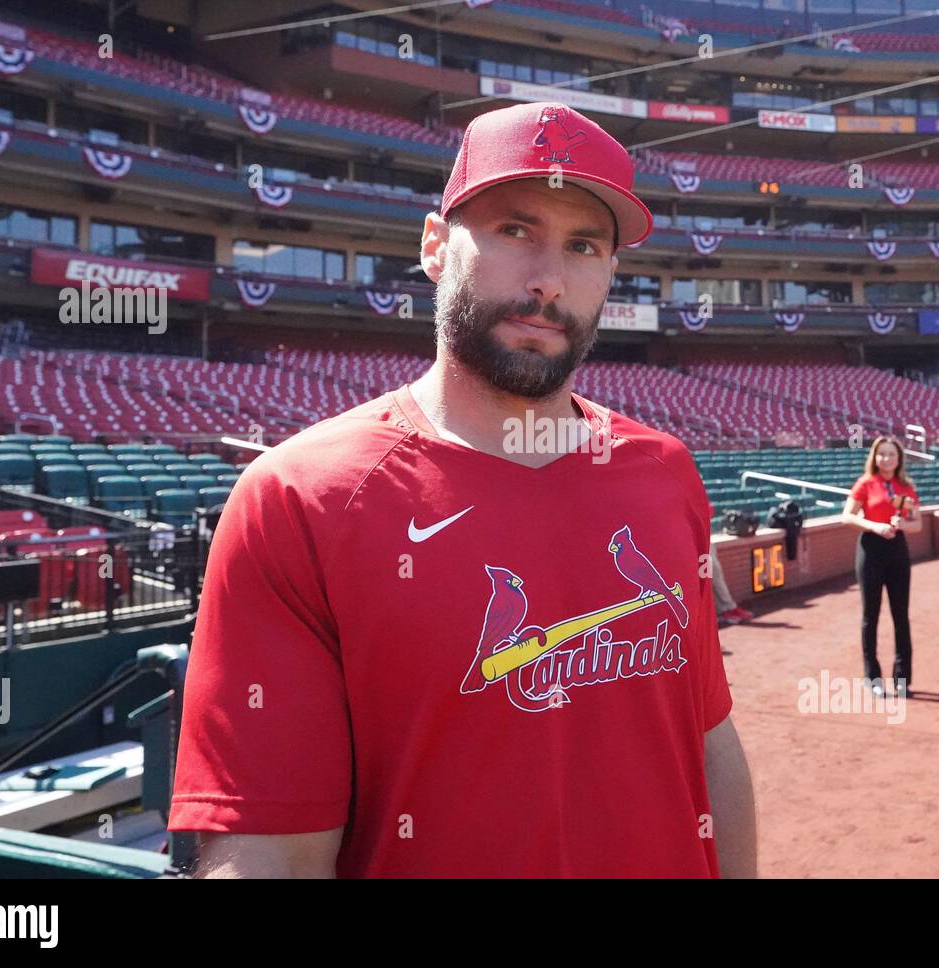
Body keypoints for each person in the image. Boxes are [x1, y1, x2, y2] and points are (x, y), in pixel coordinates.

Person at [168, 102, 757, 878]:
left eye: (583, 245)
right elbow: (267, 850)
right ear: (435, 246)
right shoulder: (298, 499)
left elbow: (708, 741)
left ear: (611, 272)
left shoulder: (664, 472)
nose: (549, 279)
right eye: (516, 230)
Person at [843, 435, 922, 697]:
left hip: (897, 550)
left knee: (901, 616)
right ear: (874, 457)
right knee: (871, 615)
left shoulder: (906, 486)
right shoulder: (866, 483)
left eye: (891, 454)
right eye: (882, 454)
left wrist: (903, 526)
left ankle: (903, 679)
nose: (886, 458)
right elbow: (847, 516)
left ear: (899, 458)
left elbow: (917, 524)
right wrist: (875, 525)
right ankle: (872, 677)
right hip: (871, 550)